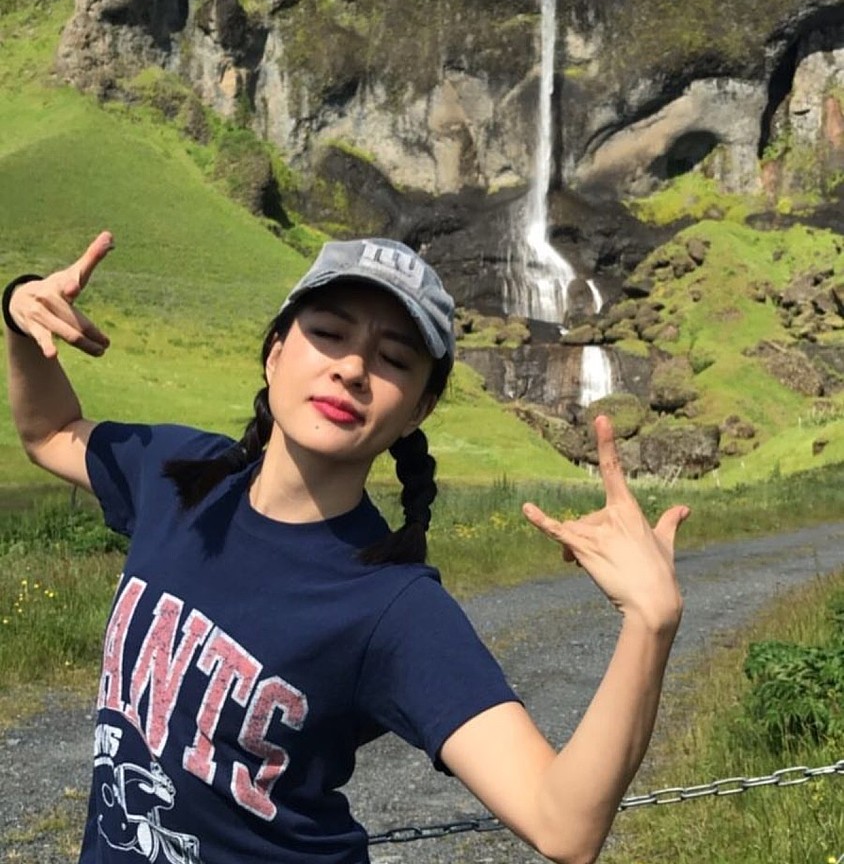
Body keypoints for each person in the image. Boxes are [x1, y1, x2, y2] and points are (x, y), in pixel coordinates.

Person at [4, 231, 688, 864]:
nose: (354, 368)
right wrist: (19, 311)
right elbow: (51, 432)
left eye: (394, 359)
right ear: (275, 352)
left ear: (418, 410)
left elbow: (563, 824)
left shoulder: (392, 606)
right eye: (329, 334)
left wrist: (649, 622)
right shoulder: (179, 474)